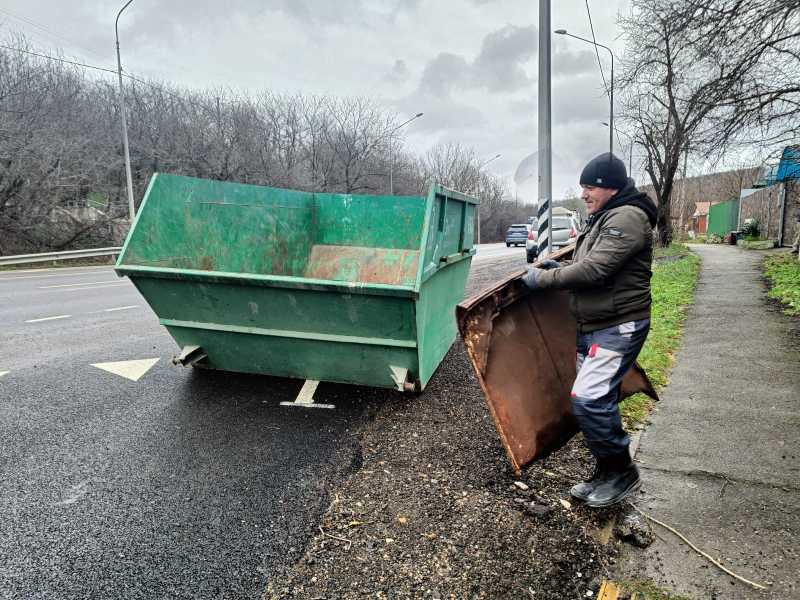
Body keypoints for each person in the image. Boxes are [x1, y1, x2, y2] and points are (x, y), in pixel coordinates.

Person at [522, 152, 658, 508]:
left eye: (590, 187)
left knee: (589, 399)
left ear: (611, 187)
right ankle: (606, 471)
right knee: (596, 399)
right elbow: (587, 260)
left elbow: (596, 270)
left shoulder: (627, 218)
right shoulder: (605, 216)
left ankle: (622, 470)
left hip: (618, 325)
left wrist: (545, 278)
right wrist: (562, 262)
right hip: (596, 323)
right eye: (583, 187)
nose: (584, 194)